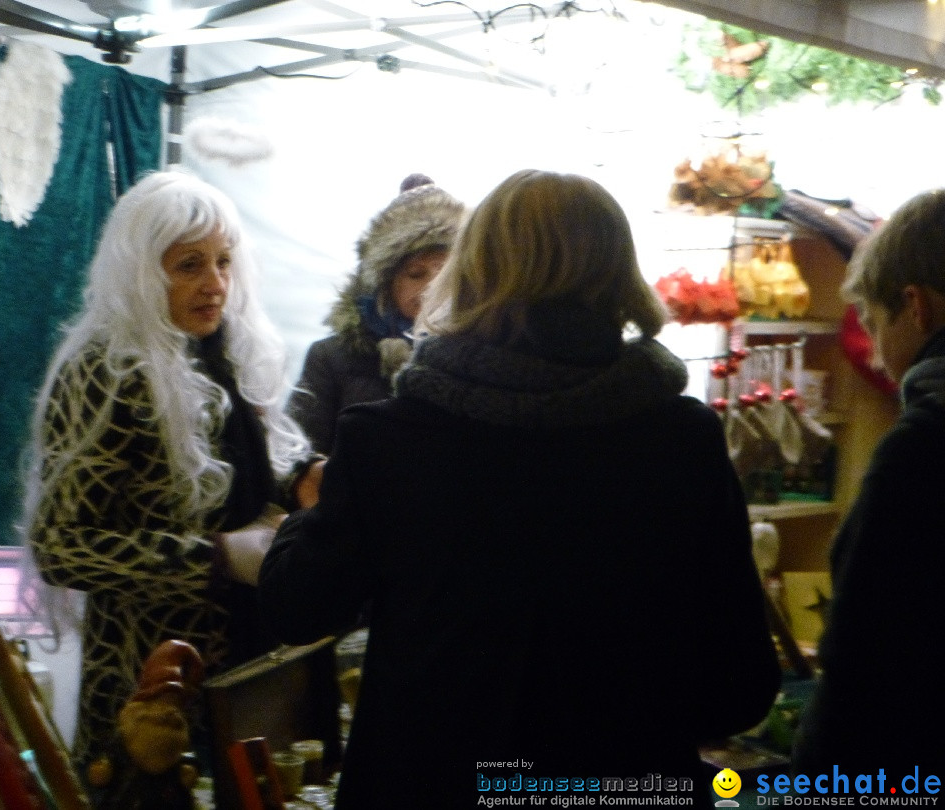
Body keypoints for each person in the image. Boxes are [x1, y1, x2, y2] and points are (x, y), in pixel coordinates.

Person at [259, 169, 780, 808]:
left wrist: (305, 512)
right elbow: (740, 685)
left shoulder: (390, 439)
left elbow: (297, 607)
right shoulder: (683, 440)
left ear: (471, 271)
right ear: (619, 275)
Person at [20, 170, 321, 770]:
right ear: (141, 271)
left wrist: (301, 478)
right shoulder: (103, 371)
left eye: (224, 262)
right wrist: (216, 558)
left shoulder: (223, 350)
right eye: (189, 265)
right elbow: (60, 547)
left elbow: (233, 471)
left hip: (247, 665)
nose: (215, 284)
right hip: (151, 691)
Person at [793, 189, 945, 777]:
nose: (879, 358)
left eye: (877, 324)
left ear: (917, 307)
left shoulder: (922, 449)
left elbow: (862, 674)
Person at [287, 173, 465, 454]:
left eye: (445, 273)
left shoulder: (481, 357)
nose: (432, 287)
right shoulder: (331, 359)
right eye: (415, 275)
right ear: (386, 286)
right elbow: (294, 451)